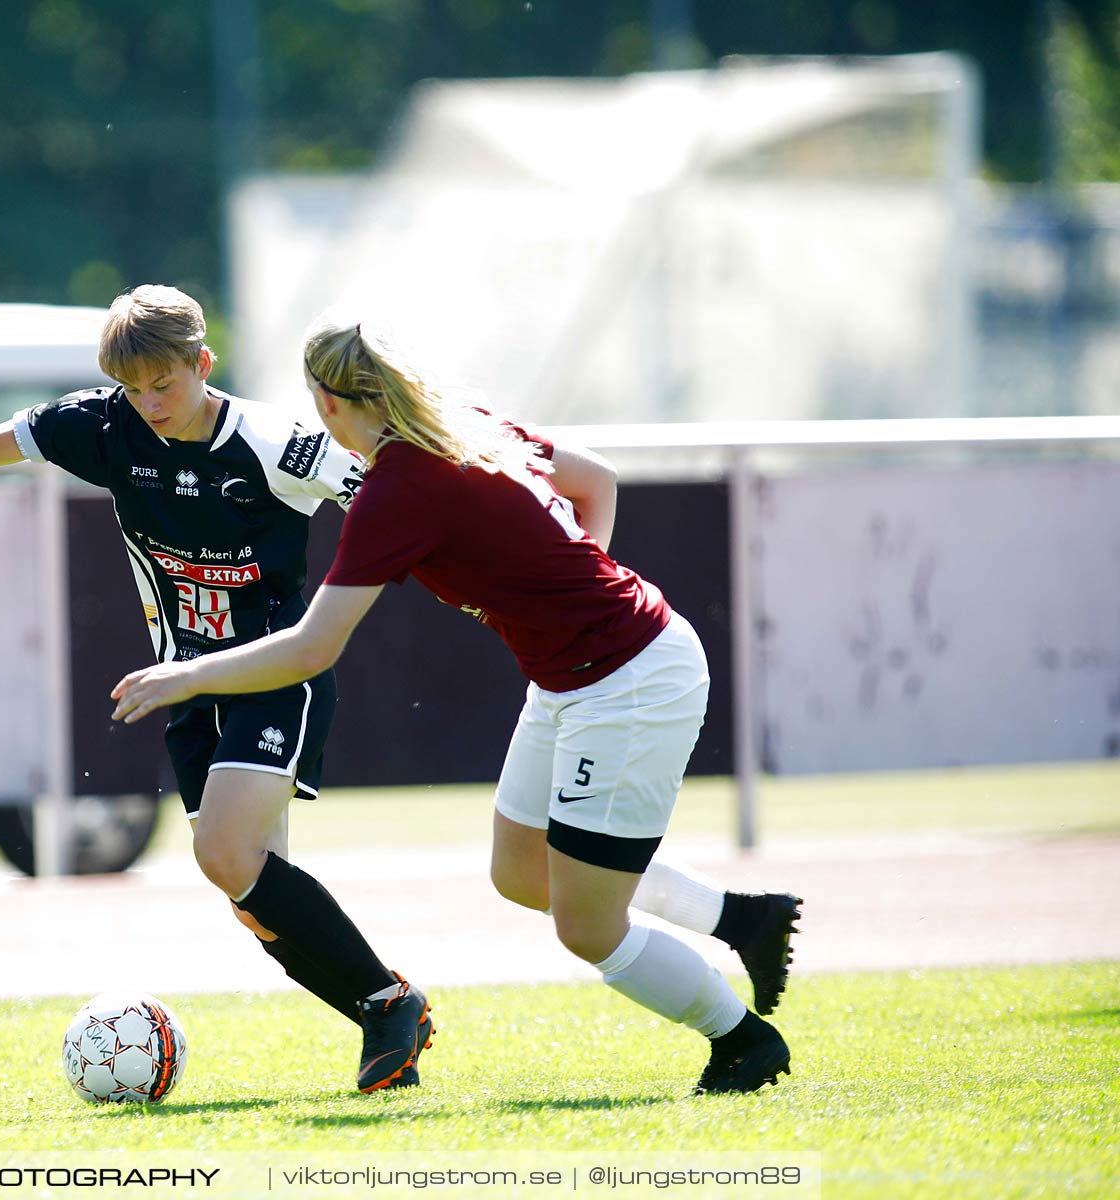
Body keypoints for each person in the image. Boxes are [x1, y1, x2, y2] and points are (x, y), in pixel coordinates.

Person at [110, 317, 802, 1095]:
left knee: (587, 927)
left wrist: (187, 676)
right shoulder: (457, 426)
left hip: (631, 677)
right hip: (579, 674)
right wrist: (577, 590)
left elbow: (314, 646)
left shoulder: (401, 485)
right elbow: (596, 477)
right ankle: (742, 919)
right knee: (522, 871)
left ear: (329, 406)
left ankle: (742, 1042)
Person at [0, 286, 433, 1094]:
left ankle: (389, 1004)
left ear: (202, 363)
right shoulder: (106, 424)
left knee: (225, 853)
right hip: (180, 687)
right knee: (250, 895)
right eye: (134, 388)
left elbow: (389, 494)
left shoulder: (275, 442)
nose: (150, 404)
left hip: (271, 674)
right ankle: (384, 1010)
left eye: (166, 384)